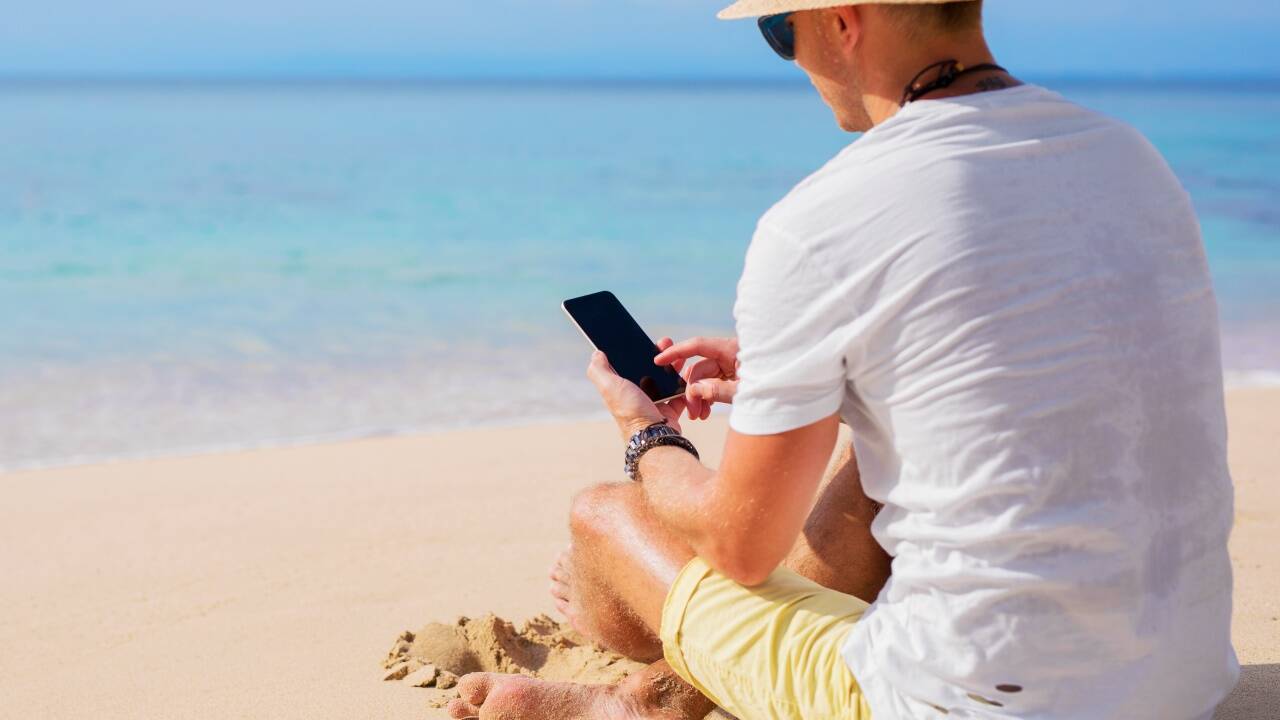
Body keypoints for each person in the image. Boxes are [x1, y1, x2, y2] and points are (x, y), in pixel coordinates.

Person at [448, 0, 1239, 717]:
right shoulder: (1130, 158)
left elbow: (739, 543)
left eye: (777, 29)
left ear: (843, 21)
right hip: (1182, 680)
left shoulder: (825, 218)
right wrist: (801, 367)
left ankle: (648, 696)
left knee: (609, 519)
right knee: (889, 451)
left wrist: (644, 436)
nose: (790, 57)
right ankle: (668, 688)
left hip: (973, 702)